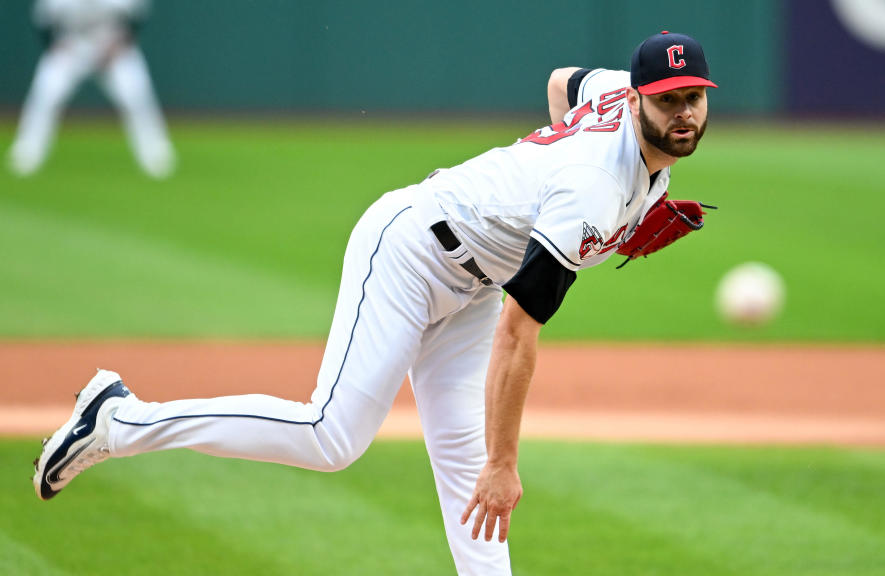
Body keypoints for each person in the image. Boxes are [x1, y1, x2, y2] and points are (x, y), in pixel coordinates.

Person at [33, 31, 716, 575]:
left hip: (475, 280)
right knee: (332, 436)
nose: (682, 112)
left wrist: (555, 172)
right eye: (666, 100)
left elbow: (563, 82)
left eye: (693, 97)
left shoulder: (610, 97)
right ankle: (120, 419)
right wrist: (508, 462)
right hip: (413, 249)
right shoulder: (593, 189)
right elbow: (518, 331)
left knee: (463, 468)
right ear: (636, 102)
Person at [7, 0, 175, 179]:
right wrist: (55, 45)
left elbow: (138, 18)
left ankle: (155, 153)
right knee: (46, 93)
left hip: (113, 47)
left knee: (136, 94)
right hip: (71, 48)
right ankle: (27, 152)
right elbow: (43, 24)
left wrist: (121, 44)